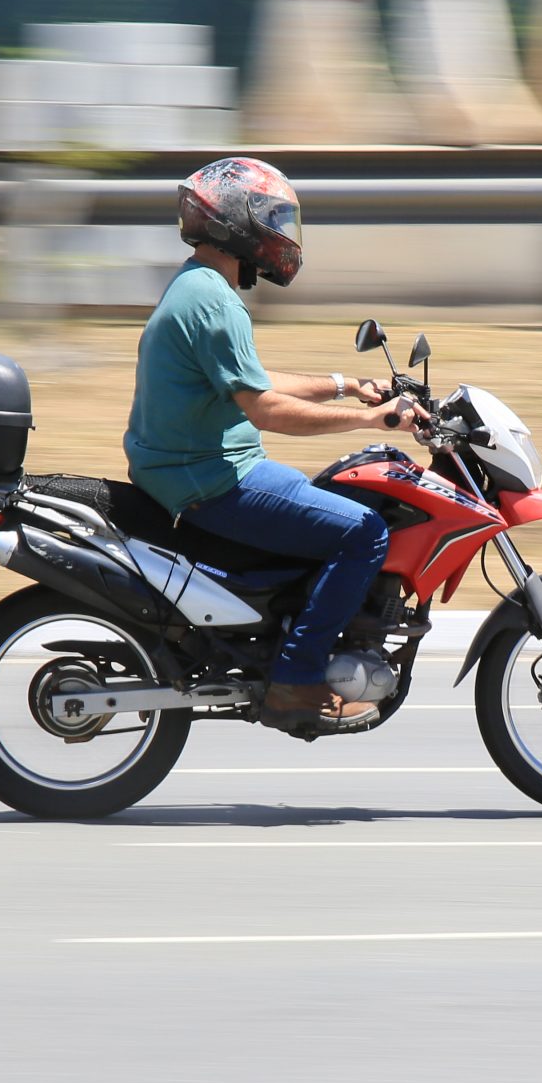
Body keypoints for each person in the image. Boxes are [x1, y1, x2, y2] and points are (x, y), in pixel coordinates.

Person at [123, 156, 427, 731]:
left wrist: (348, 384)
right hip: (210, 479)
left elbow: (251, 380)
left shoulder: (201, 286)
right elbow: (264, 410)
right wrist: (373, 422)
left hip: (198, 468)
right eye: (271, 219)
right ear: (235, 223)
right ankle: (296, 679)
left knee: (334, 500)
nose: (281, 235)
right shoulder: (213, 301)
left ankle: (291, 631)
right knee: (365, 533)